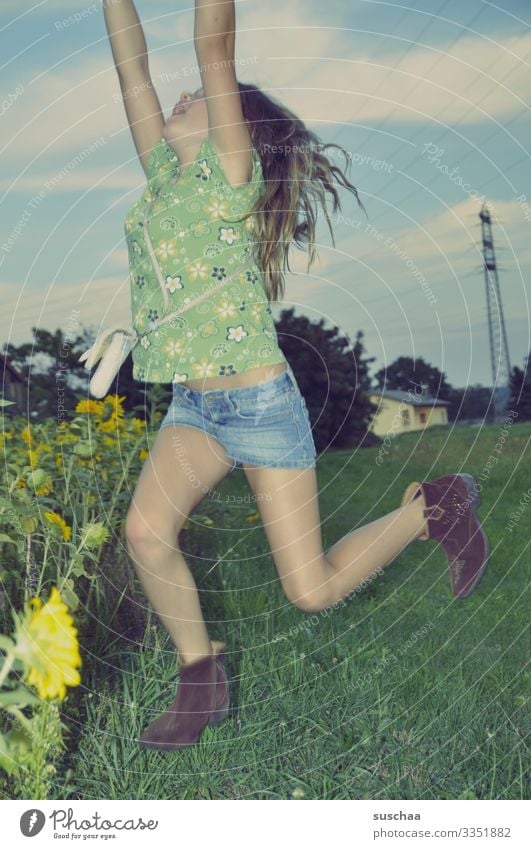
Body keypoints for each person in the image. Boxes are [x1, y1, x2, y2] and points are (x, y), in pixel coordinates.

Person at [104, 0, 490, 751]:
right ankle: (200, 675)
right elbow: (131, 69)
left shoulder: (229, 176)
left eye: (198, 102)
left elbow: (212, 46)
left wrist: (211, 57)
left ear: (233, 128)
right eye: (176, 103)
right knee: (146, 533)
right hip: (193, 405)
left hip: (255, 404)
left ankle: (430, 509)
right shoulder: (161, 177)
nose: (177, 101)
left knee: (309, 590)